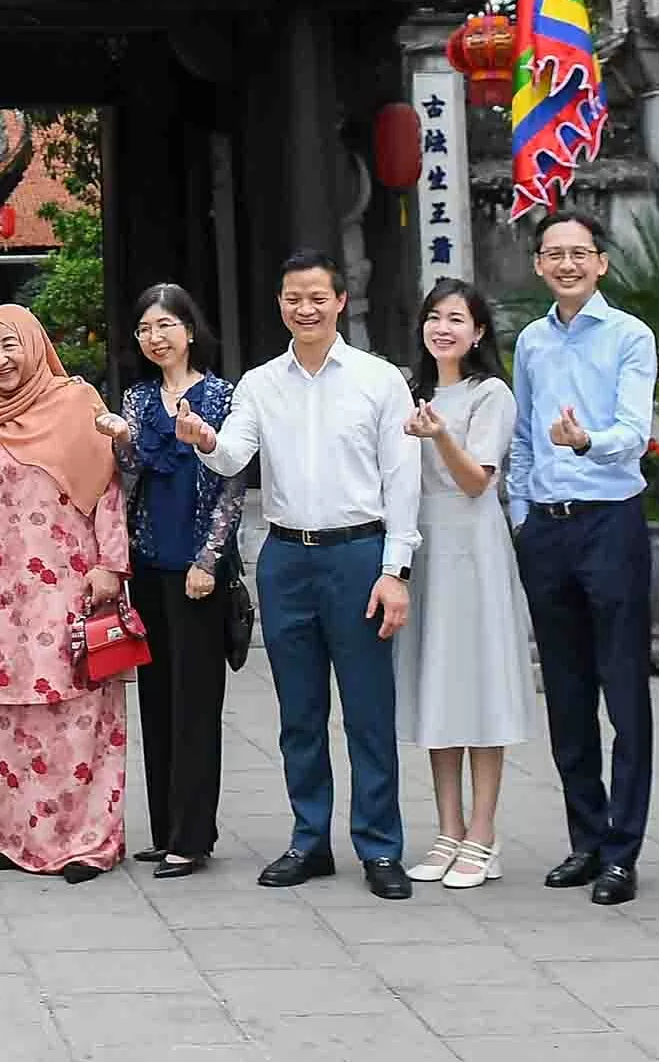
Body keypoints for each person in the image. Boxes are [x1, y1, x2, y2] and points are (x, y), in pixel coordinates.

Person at [176, 251, 421, 896]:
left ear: (340, 301)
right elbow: (233, 456)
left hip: (358, 554)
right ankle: (309, 839)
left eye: (317, 297)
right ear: (280, 304)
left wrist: (395, 569)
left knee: (368, 710)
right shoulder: (260, 383)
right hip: (286, 557)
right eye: (292, 298)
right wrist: (204, 440)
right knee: (299, 712)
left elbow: (402, 480)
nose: (304, 309)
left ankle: (380, 846)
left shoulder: (378, 380)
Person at [505, 209, 658, 904]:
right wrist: (521, 512)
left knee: (623, 691)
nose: (567, 264)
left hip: (610, 523)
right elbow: (524, 440)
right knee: (566, 695)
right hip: (548, 528)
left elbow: (632, 429)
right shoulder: (533, 341)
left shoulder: (630, 336)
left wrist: (585, 442)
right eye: (554, 254)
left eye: (580, 253)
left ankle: (623, 851)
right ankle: (585, 840)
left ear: (601, 263)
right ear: (538, 265)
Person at [0, 302, 133, 880]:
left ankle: (86, 842)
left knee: (76, 714)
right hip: (5, 589)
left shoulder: (78, 403)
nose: (0, 359)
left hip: (71, 582)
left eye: (11, 345)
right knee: (14, 718)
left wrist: (111, 565)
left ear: (34, 345)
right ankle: (15, 839)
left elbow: (108, 486)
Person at [399, 278, 530, 890]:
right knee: (437, 687)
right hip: (426, 551)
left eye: (457, 318)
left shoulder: (491, 394)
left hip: (474, 554)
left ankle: (483, 832)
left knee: (479, 688)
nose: (443, 328)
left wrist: (439, 435)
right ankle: (447, 829)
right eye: (434, 317)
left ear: (478, 332)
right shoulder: (410, 392)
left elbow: (478, 481)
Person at [111, 284, 241, 878]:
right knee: (158, 699)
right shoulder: (137, 401)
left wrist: (209, 561)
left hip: (197, 571)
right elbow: (132, 475)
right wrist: (120, 443)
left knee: (195, 703)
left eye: (165, 325)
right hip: (150, 563)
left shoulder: (222, 396)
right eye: (144, 329)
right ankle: (165, 828)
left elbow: (232, 485)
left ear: (190, 330)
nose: (155, 337)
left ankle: (194, 834)